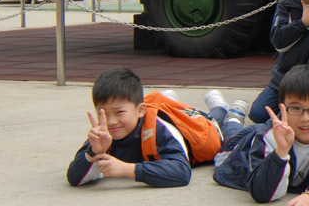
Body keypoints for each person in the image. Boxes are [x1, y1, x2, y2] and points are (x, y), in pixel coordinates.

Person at [213, 65, 309, 206]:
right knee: (226, 136)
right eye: (296, 108)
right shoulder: (268, 136)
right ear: (283, 109)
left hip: (266, 129)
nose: (306, 118)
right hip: (239, 149)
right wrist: (280, 152)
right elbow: (264, 194)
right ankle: (224, 113)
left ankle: (232, 116)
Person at [67, 67, 206, 187]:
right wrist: (93, 153)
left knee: (218, 124)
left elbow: (181, 172)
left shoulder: (159, 129)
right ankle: (169, 99)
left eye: (119, 112)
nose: (111, 121)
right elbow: (74, 179)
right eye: (103, 113)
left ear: (141, 110)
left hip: (195, 125)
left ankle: (222, 109)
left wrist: (129, 170)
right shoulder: (102, 134)